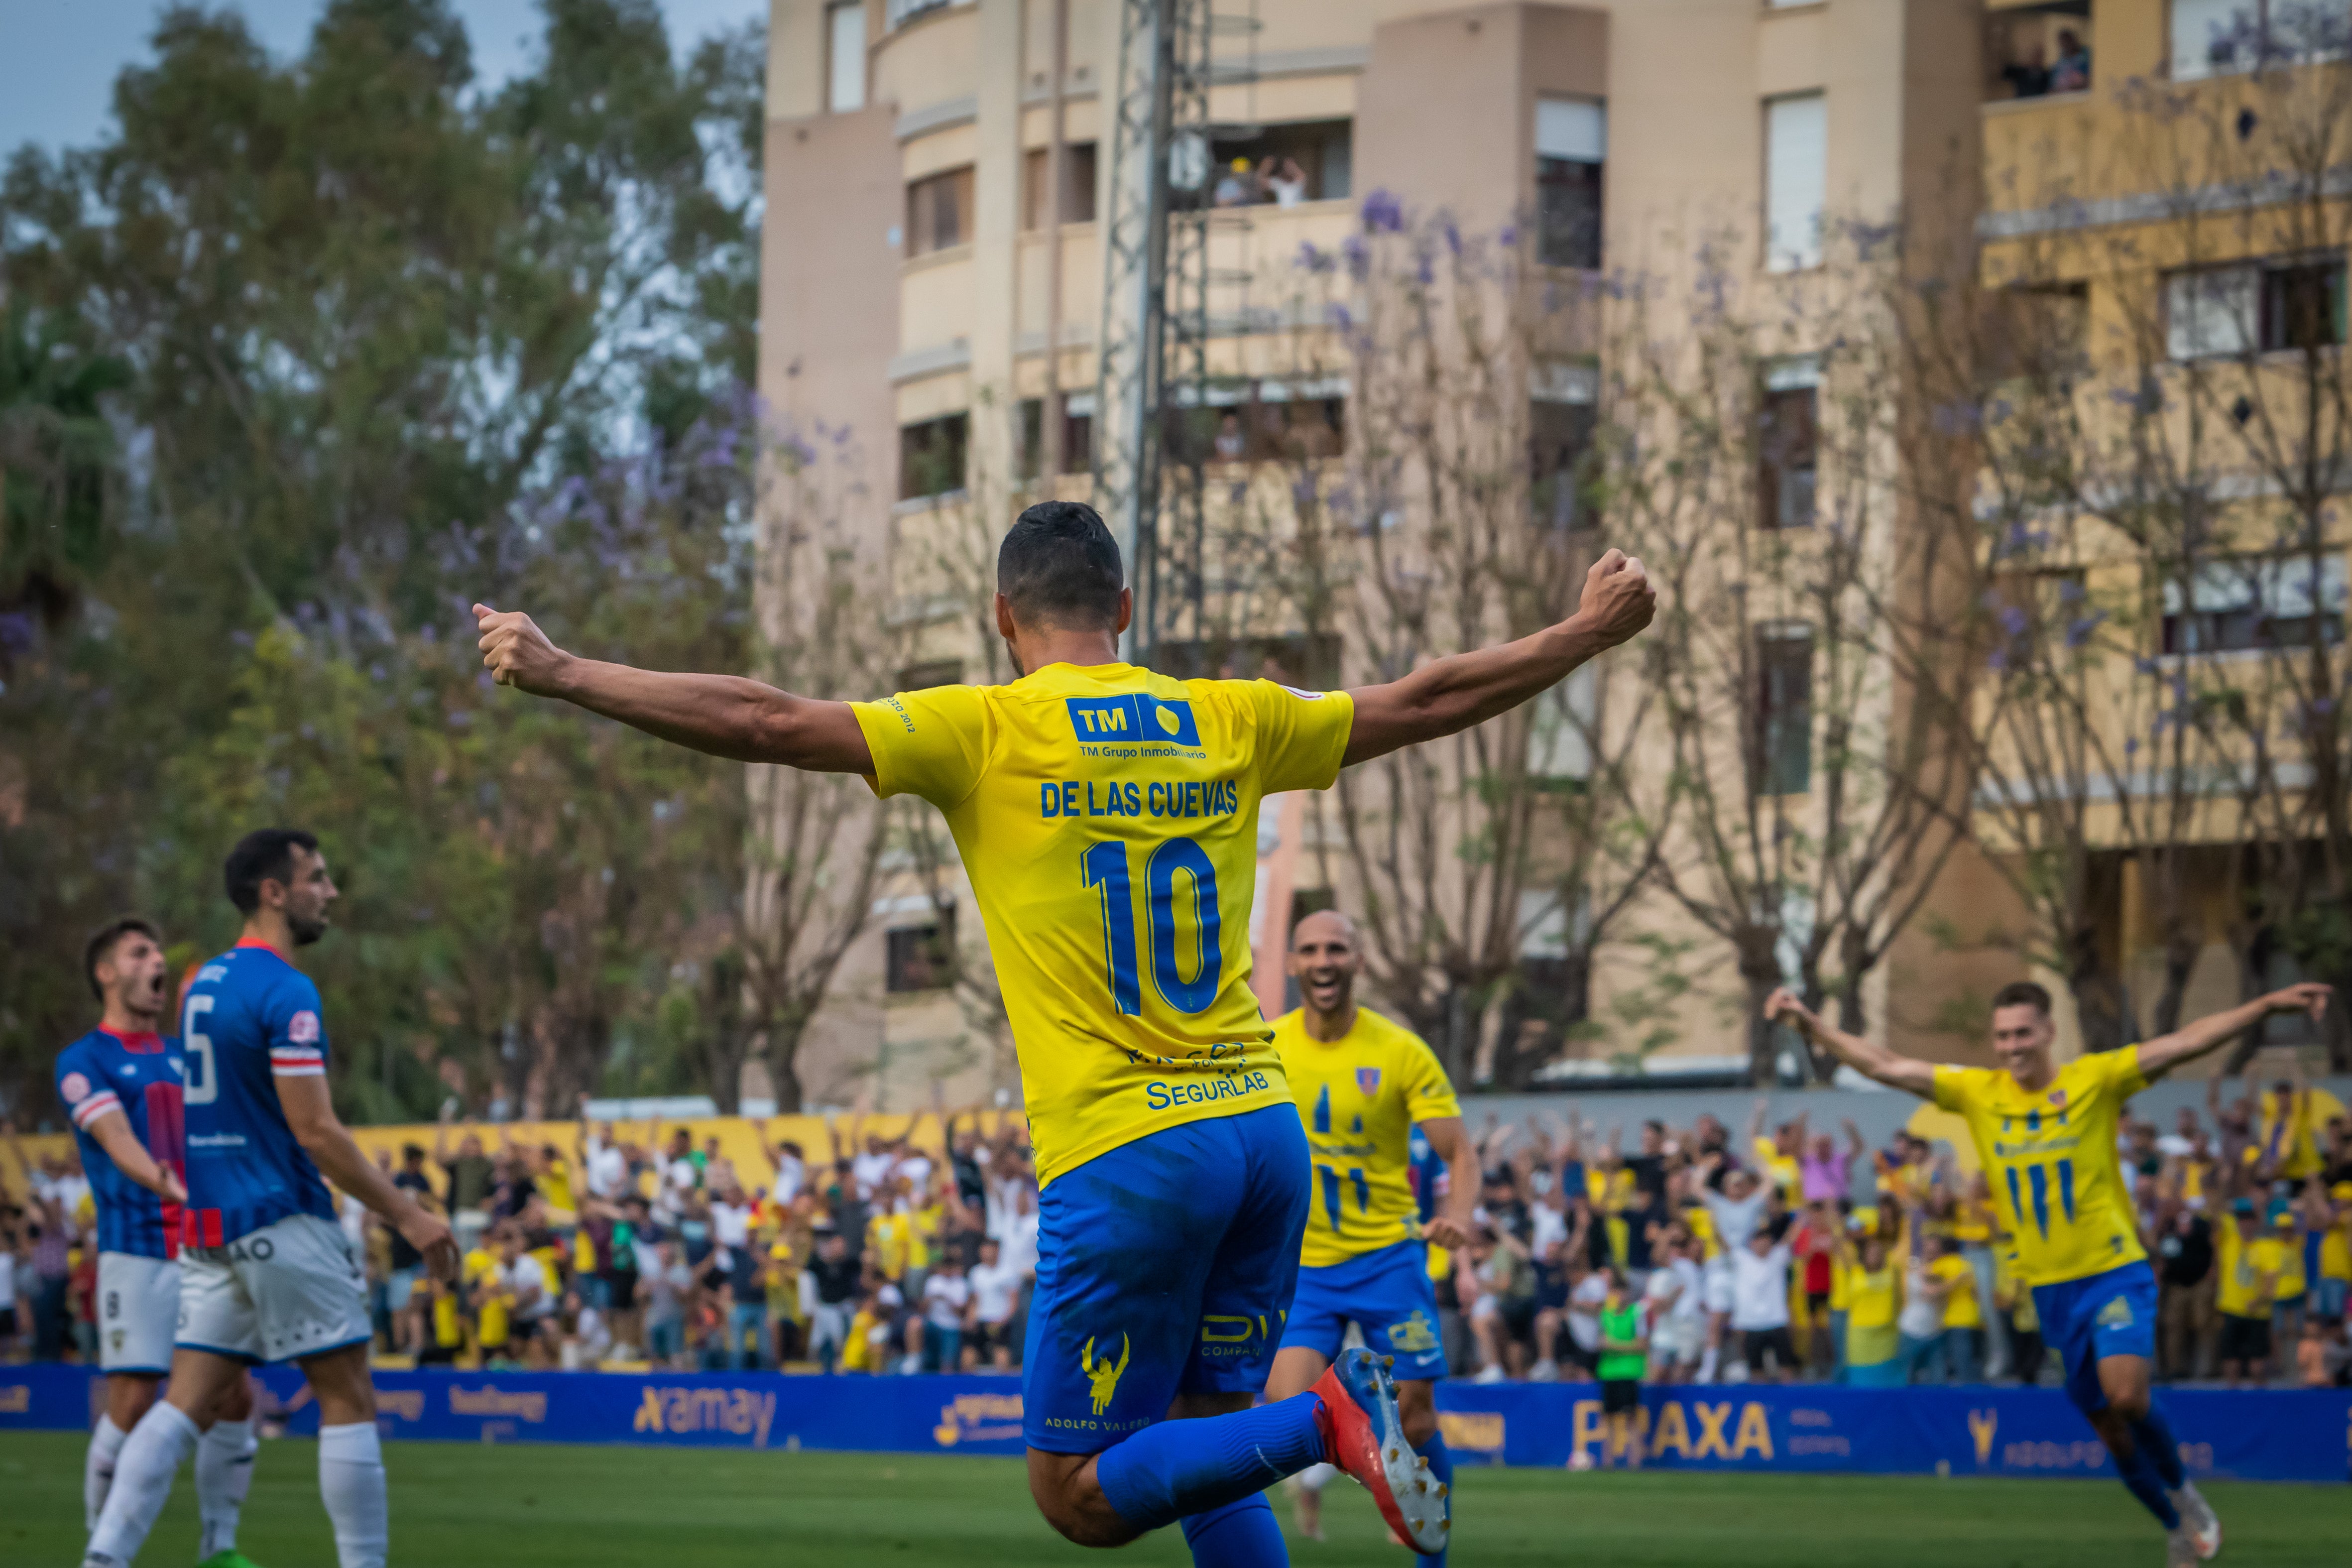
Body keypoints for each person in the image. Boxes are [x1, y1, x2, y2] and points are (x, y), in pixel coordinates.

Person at [475, 498, 1655, 1562]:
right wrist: (1581, 633)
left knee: (1077, 1494)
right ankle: (1305, 1424)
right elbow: (1425, 696)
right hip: (1260, 1130)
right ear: (1124, 608)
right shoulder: (1226, 715)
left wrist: (567, 668)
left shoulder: (982, 726)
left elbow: (762, 716)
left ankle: (1323, 1418)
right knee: (1205, 1446)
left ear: (1002, 615)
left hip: (1131, 1149)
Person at [1768, 977, 2332, 1566]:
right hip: (2051, 1290)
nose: (2011, 1046)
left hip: (2113, 1269)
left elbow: (2184, 1041)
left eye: (2022, 1033)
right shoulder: (1976, 1091)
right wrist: (1809, 1024)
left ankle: (2185, 1493)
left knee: (2125, 1395)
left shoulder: (2095, 1078)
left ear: (2047, 1031)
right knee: (2108, 1431)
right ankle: (2172, 1526)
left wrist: (2265, 1006)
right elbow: (1884, 1062)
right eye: (2001, 1035)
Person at [82, 830, 460, 1568]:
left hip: (209, 1227)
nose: (332, 892)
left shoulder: (202, 984)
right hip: (281, 1215)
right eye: (318, 878)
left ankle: (103, 1558)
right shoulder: (285, 988)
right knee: (347, 1393)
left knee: (183, 1405)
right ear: (274, 892)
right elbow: (315, 1129)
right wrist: (409, 1213)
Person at [1262, 910, 1477, 1560]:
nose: (1323, 960)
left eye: (1337, 948)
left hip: (1389, 1256)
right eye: (1310, 950)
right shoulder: (1264, 1045)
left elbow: (1459, 1152)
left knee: (1418, 1420)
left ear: (1358, 960)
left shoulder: (1401, 1050)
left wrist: (1459, 1216)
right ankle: (1363, 1404)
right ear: (1294, 964)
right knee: (1285, 1410)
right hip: (1304, 1267)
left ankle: (1428, 1553)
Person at [56, 917, 263, 1568]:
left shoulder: (183, 1054)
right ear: (106, 973)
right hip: (137, 1248)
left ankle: (219, 1550)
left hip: (207, 1248)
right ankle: (102, 1546)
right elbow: (117, 1140)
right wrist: (162, 1178)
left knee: (235, 1396)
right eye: (139, 952)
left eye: (158, 952)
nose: (156, 962)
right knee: (135, 1398)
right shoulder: (85, 1059)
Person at [1594, 1267, 1646, 1468]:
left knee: (1630, 1419)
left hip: (1628, 1372)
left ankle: (1635, 1462)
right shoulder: (1605, 1315)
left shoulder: (1636, 1314)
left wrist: (1614, 1345)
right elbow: (1599, 1342)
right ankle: (1608, 1462)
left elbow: (1642, 1345)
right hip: (1609, 1372)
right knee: (1607, 1419)